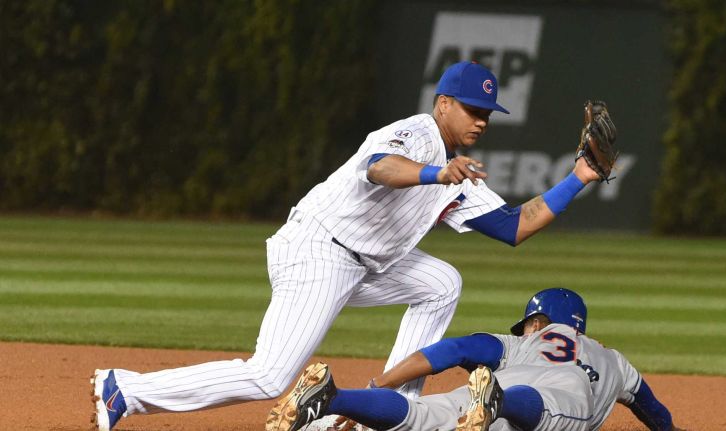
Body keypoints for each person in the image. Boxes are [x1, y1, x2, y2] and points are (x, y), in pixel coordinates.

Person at [91, 61, 602, 430]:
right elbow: (380, 167)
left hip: (367, 263)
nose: (482, 119)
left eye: (488, 111)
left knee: (441, 283)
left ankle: (390, 408)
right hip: (317, 248)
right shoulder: (417, 135)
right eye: (472, 108)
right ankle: (127, 390)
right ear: (442, 104)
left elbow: (516, 226)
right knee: (271, 376)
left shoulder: (459, 172)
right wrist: (434, 173)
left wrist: (579, 175)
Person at [267, 288, 685, 431]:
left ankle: (333, 396)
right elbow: (654, 410)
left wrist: (384, 381)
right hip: (542, 397)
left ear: (537, 322)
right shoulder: (614, 361)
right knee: (555, 420)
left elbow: (455, 350)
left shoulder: (523, 342)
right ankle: (497, 401)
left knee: (420, 417)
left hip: (495, 386)